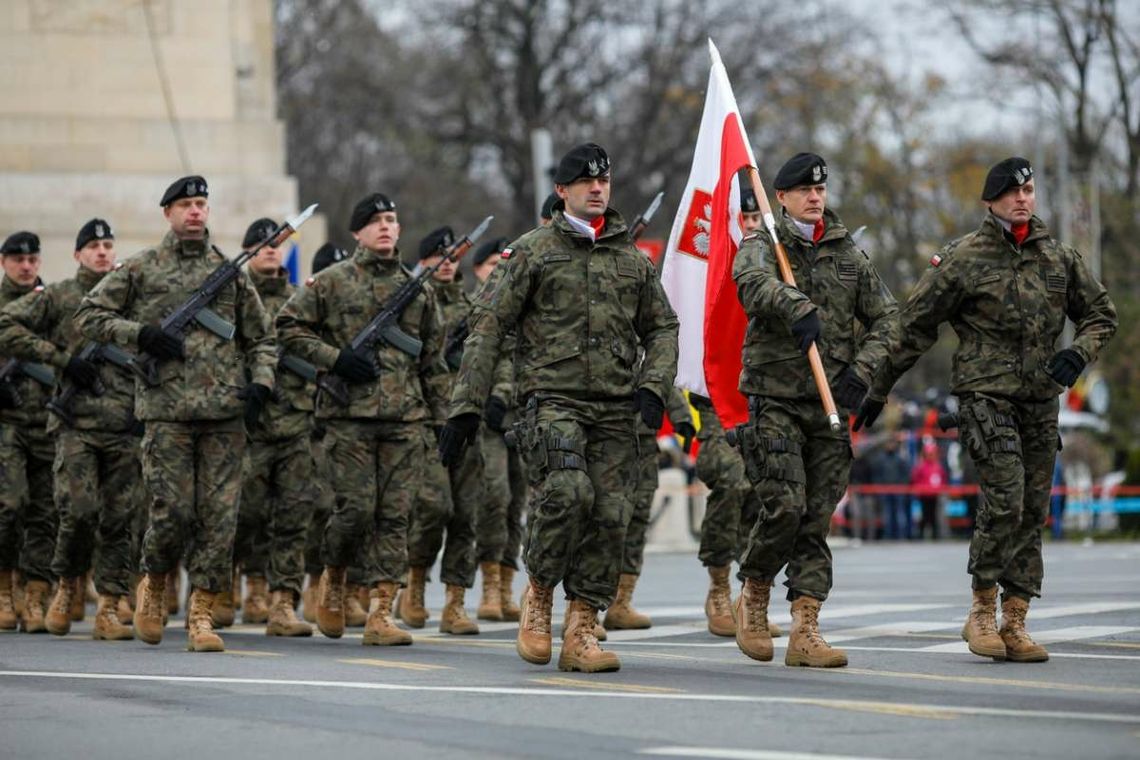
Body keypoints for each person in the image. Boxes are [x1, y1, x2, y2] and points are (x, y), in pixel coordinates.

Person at [858, 157, 1117, 663]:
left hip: (1041, 401)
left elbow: (1101, 314)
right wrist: (876, 388)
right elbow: (913, 328)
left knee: (1033, 506)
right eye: (1011, 191)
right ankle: (981, 609)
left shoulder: (1059, 257)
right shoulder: (964, 259)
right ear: (990, 201)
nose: (1022, 198)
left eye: (1028, 189)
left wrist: (1077, 353)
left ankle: (1015, 618)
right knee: (1006, 497)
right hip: (984, 397)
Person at [438, 143, 679, 672]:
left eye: (605, 181)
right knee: (569, 494)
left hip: (617, 407)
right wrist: (465, 408)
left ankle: (582, 628)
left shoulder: (631, 259)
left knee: (612, 516)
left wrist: (653, 385)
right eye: (585, 182)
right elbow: (488, 326)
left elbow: (662, 326)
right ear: (561, 191)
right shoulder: (532, 252)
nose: (598, 189)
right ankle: (540, 593)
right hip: (552, 402)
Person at [75, 176, 277, 652]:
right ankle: (154, 582)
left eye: (201, 204)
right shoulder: (142, 268)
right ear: (168, 213)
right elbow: (88, 316)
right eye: (185, 204)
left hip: (225, 415)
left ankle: (201, 615)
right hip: (167, 412)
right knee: (172, 512)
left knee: (220, 518)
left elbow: (262, 338)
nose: (194, 212)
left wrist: (261, 382)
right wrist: (140, 334)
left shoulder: (230, 273)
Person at [731, 153, 898, 668]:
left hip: (828, 405)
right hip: (776, 398)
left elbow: (889, 320)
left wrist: (863, 374)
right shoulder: (766, 245)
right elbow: (749, 283)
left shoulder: (848, 254)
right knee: (784, 504)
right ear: (779, 197)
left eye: (819, 189)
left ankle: (806, 626)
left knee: (816, 516)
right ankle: (754, 594)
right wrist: (794, 304)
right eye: (803, 189)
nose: (814, 196)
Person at [277, 192, 449, 647]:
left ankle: (380, 612)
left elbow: (432, 360)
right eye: (375, 221)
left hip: (405, 419)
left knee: (395, 517)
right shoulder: (331, 282)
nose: (386, 227)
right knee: (354, 511)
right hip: (348, 418)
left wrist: (443, 421)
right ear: (357, 232)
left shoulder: (419, 290)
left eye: (392, 219)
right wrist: (334, 359)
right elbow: (288, 327)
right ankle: (333, 576)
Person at [0, 220, 138, 640]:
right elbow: (6, 325)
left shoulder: (134, 298)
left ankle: (106, 606)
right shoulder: (58, 296)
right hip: (71, 423)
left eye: (108, 245)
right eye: (93, 246)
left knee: (118, 519)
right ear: (78, 254)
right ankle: (51, 586)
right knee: (69, 513)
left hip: (123, 424)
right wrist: (61, 358)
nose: (102, 252)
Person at [233, 217, 315, 637]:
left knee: (293, 515)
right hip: (246, 423)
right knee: (243, 512)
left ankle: (282, 601)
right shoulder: (230, 296)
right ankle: (242, 581)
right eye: (261, 243)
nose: (270, 249)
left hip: (294, 421)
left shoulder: (300, 299)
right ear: (248, 250)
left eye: (277, 244)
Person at [400, 226, 483, 635]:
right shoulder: (411, 305)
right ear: (425, 261)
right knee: (434, 507)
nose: (448, 263)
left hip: (466, 419)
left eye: (453, 256)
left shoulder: (473, 307)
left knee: (467, 512)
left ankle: (456, 601)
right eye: (440, 256)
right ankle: (414, 583)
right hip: (427, 421)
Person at [464, 237, 525, 622]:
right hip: (488, 417)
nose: (494, 271)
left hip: (522, 415)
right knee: (494, 498)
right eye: (488, 264)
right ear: (476, 270)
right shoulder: (471, 308)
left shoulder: (520, 307)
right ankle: (488, 584)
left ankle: (505, 584)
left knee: (517, 503)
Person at [0, 231, 57, 633]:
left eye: (32, 259)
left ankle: (35, 594)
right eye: (17, 259)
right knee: (10, 505)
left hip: (50, 421)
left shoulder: (53, 305)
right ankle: (4, 589)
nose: (25, 266)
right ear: (3, 262)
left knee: (45, 512)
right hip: (7, 423)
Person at [604, 382, 693, 631]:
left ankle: (621, 603)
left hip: (643, 440)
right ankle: (580, 607)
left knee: (637, 519)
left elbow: (659, 374)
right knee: (602, 520)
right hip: (606, 434)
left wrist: (681, 416)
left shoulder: (644, 344)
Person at [911, 440, 947, 540]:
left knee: (934, 516)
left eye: (932, 453)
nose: (931, 456)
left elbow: (943, 479)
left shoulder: (938, 466)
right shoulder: (921, 466)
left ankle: (935, 536)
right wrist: (919, 489)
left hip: (935, 495)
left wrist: (941, 489)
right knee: (924, 516)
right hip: (924, 495)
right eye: (929, 454)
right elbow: (915, 479)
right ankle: (921, 535)